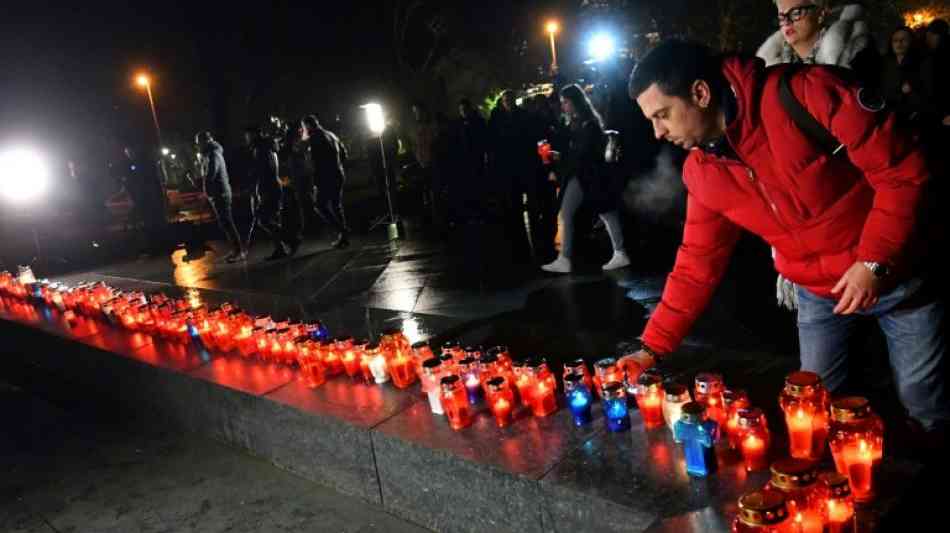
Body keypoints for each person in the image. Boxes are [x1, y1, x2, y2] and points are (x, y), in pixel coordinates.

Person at [623, 40, 947, 440]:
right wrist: (649, 348)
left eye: (663, 115)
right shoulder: (704, 171)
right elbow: (696, 264)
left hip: (898, 273)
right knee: (813, 402)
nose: (658, 132)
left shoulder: (804, 94)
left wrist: (875, 261)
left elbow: (902, 170)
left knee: (925, 402)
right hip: (818, 292)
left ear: (700, 93)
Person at [759, 0, 878, 309]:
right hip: (799, 199)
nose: (787, 21)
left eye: (796, 12)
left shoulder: (855, 57)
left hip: (857, 192)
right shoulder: (767, 69)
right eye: (781, 14)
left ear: (822, 11)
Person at [541, 84, 630, 274]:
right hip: (583, 175)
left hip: (588, 175)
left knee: (598, 212)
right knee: (601, 213)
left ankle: (568, 259)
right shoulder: (578, 121)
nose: (563, 106)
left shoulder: (587, 123)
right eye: (562, 102)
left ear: (575, 102)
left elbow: (584, 153)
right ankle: (617, 252)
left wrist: (561, 157)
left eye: (566, 102)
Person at [757, 1, 879, 85]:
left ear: (820, 14)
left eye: (796, 12)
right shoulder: (769, 67)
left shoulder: (857, 53)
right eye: (782, 17)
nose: (787, 22)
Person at [490, 90, 542, 252]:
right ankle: (523, 239)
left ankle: (525, 240)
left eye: (509, 100)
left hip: (520, 163)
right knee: (515, 202)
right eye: (506, 100)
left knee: (522, 202)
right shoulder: (502, 118)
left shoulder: (515, 117)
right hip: (512, 165)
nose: (508, 102)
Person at [195, 131, 244, 262]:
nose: (197, 146)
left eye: (198, 143)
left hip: (220, 192)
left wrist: (205, 187)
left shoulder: (213, 153)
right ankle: (236, 250)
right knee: (225, 223)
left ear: (204, 141)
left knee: (227, 222)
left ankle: (239, 251)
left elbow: (211, 173)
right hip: (217, 192)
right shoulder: (210, 153)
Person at [303, 115, 350, 249]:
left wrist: (316, 181)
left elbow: (316, 162)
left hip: (326, 177)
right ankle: (343, 236)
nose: (304, 130)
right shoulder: (331, 134)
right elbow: (344, 154)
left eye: (304, 127)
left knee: (320, 205)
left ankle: (342, 230)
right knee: (336, 206)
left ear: (308, 126)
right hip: (338, 173)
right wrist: (338, 167)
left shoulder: (315, 138)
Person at [248, 127, 290, 260]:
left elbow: (265, 172)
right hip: (273, 186)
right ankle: (281, 248)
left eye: (248, 136)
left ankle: (290, 239)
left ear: (254, 135)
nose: (247, 139)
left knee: (263, 219)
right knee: (271, 219)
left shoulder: (261, 150)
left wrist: (262, 192)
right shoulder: (268, 148)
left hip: (268, 188)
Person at [880, 26, 927, 124]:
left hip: (911, 119)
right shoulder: (885, 63)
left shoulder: (921, 64)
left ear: (911, 41)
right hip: (885, 116)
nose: (899, 43)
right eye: (895, 40)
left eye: (904, 39)